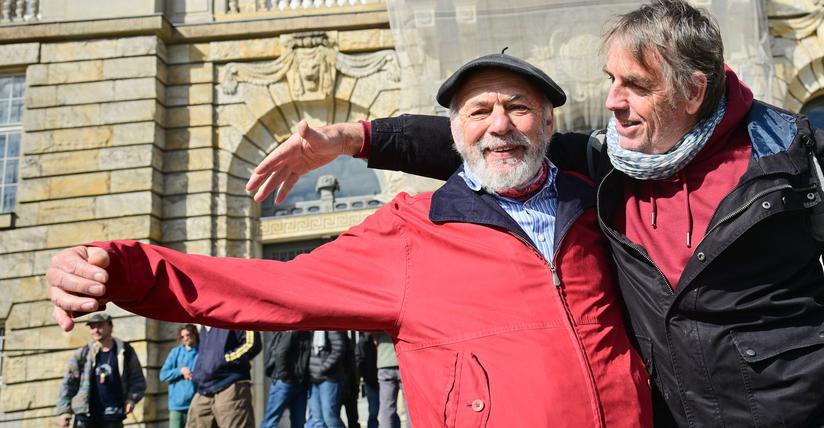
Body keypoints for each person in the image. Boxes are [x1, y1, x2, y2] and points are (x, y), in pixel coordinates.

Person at [242, 2, 824, 427]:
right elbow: (490, 138)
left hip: (801, 416)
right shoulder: (607, 164)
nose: (612, 102)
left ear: (694, 90)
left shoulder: (787, 150)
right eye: (610, 82)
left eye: (635, 85)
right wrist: (353, 140)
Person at [45, 53, 653, 427]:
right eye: (479, 110)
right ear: (455, 133)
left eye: (519, 108)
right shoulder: (410, 232)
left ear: (547, 123)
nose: (499, 124)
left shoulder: (600, 204)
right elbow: (266, 287)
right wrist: (120, 268)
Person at [55, 313, 145, 428]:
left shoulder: (125, 351)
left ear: (110, 326)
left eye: (99, 326)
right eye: (92, 327)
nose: (95, 330)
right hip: (86, 414)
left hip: (113, 414)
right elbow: (69, 383)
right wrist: (64, 412)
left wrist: (131, 399)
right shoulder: (83, 353)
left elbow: (137, 379)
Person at [187, 326, 261, 428]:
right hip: (203, 389)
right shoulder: (205, 320)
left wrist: (223, 359)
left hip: (231, 385)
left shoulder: (239, 312)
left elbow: (251, 344)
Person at [262, 330, 312, 428]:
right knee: (271, 420)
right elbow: (280, 353)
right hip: (285, 382)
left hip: (299, 382)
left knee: (299, 421)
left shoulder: (306, 332)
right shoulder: (292, 331)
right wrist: (285, 376)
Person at [159, 324, 200, 428]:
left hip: (197, 404)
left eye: (188, 335)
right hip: (177, 406)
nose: (186, 338)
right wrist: (180, 371)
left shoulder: (203, 351)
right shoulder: (175, 352)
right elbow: (163, 375)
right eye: (183, 336)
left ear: (195, 335)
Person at [307, 330, 350, 428]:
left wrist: (322, 368)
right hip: (313, 378)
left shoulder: (331, 326)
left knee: (329, 417)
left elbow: (338, 348)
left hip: (329, 378)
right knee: (317, 420)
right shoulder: (312, 327)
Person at [372, 332, 406, 428]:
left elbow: (375, 339)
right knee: (410, 408)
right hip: (404, 359)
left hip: (385, 360)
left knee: (386, 408)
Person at [355, 333, 379, 428]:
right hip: (371, 381)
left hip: (379, 379)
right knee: (373, 413)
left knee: (390, 411)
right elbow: (358, 360)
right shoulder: (363, 340)